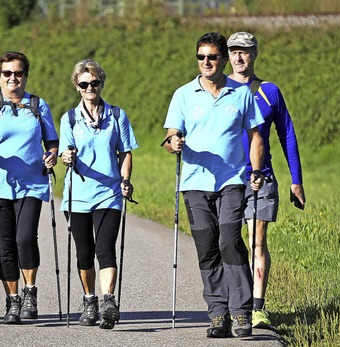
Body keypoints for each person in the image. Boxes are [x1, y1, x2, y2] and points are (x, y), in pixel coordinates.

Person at [162, 32, 265, 338]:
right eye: (201, 57)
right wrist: (174, 142)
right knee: (207, 247)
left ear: (222, 60)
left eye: (212, 56)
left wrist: (256, 170)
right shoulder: (183, 94)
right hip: (195, 184)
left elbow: (256, 135)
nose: (206, 62)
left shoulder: (241, 93)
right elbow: (170, 136)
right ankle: (218, 314)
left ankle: (242, 312)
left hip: (232, 180)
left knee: (230, 239)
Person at [0, 51, 59, 324]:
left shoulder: (38, 105)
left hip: (32, 183)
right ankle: (12, 299)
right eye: (7, 73)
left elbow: (52, 142)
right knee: (5, 245)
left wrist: (52, 155)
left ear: (25, 76)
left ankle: (30, 291)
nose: (13, 78)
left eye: (18, 73)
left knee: (25, 238)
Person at [227, 31, 306, 329]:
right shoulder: (218, 89)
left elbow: (287, 134)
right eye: (233, 51)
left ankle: (257, 308)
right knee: (230, 242)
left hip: (261, 178)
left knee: (257, 241)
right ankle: (235, 302)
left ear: (254, 54)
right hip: (227, 179)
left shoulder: (268, 91)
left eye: (244, 51)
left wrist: (296, 180)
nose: (238, 56)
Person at [59, 59, 138, 329]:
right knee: (84, 253)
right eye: (84, 84)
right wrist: (66, 157)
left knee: (105, 249)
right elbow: (63, 153)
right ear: (77, 87)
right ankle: (89, 300)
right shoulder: (69, 118)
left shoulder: (117, 116)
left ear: (101, 83)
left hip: (109, 194)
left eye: (95, 82)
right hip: (77, 195)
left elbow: (125, 152)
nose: (90, 87)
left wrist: (125, 180)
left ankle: (108, 301)